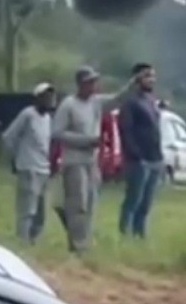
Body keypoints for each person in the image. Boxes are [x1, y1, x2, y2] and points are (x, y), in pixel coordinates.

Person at [52, 66, 133, 253]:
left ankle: (85, 241)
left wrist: (132, 85)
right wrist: (85, 141)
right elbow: (56, 133)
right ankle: (78, 244)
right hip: (74, 160)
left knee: (91, 202)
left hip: (91, 160)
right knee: (77, 202)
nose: (94, 86)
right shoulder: (69, 104)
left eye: (95, 82)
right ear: (81, 84)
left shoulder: (96, 103)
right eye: (90, 82)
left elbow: (117, 100)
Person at [1, 83, 56, 244]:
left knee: (41, 212)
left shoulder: (48, 119)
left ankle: (33, 241)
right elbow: (8, 137)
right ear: (37, 98)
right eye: (46, 96)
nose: (50, 100)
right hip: (28, 167)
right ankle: (22, 242)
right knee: (27, 210)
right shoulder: (28, 114)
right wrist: (15, 159)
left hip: (44, 169)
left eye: (51, 96)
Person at [118, 63, 163, 239]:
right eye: (147, 76)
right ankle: (125, 234)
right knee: (133, 200)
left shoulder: (151, 100)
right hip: (139, 160)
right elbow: (126, 130)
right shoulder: (130, 102)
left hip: (155, 158)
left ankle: (140, 234)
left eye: (153, 75)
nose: (152, 79)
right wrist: (135, 154)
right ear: (137, 78)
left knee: (146, 203)